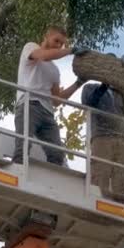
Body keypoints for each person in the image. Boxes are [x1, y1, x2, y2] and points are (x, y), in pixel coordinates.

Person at [12, 26, 88, 165]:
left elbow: (57, 100)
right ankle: (17, 172)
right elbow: (44, 56)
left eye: (62, 44)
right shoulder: (31, 47)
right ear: (46, 36)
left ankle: (54, 183)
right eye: (57, 40)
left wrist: (79, 82)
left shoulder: (54, 70)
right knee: (22, 147)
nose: (59, 45)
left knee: (57, 154)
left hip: (48, 113)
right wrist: (71, 50)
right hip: (29, 104)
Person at [81, 57, 124, 198]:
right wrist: (104, 86)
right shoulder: (91, 88)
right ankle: (95, 203)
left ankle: (120, 207)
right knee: (100, 176)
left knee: (122, 181)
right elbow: (89, 103)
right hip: (103, 138)